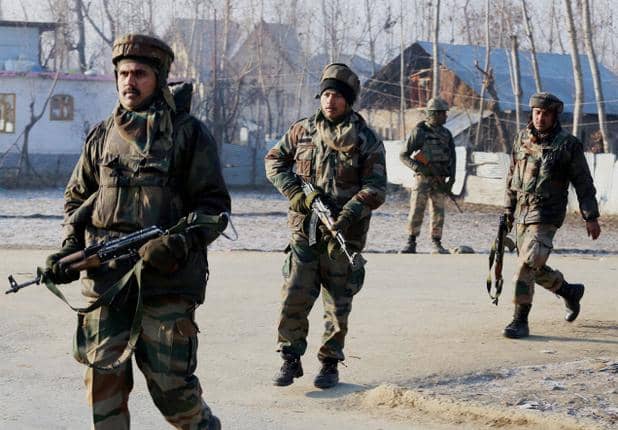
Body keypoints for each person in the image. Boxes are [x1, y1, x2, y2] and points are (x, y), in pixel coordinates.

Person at [44, 34, 230, 429]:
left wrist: (177, 243)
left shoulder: (188, 134)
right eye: (123, 73)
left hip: (165, 284)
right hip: (106, 287)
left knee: (173, 392)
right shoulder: (101, 135)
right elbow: (76, 199)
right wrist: (69, 249)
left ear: (158, 79)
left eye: (140, 74)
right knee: (104, 390)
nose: (129, 81)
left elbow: (214, 207)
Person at [265, 63, 386, 389]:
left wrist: (349, 213)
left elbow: (377, 187)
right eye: (326, 94)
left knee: (337, 303)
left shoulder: (366, 139)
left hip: (343, 234)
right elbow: (274, 161)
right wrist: (296, 194)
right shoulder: (302, 131)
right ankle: (290, 358)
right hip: (305, 231)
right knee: (294, 295)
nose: (330, 101)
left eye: (337, 96)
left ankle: (330, 364)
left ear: (348, 100)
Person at [502, 92, 601, 339]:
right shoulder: (521, 139)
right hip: (523, 212)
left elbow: (583, 183)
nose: (540, 118)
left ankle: (520, 320)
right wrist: (508, 211)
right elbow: (512, 176)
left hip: (547, 214)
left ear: (555, 116)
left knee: (527, 263)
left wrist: (590, 217)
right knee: (534, 266)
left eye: (546, 114)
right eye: (537, 113)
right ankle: (568, 291)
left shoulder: (568, 144)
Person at [399, 97, 456, 254]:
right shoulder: (419, 132)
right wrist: (419, 168)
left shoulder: (446, 134)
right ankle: (411, 242)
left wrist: (452, 179)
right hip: (422, 179)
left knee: (438, 212)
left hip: (440, 179)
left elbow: (453, 157)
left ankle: (436, 242)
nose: (445, 116)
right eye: (442, 113)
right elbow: (403, 155)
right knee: (417, 209)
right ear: (433, 114)